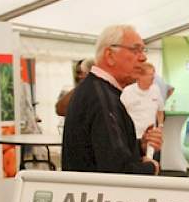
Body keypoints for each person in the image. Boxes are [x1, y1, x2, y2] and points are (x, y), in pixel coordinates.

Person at [61, 25, 163, 174]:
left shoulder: (98, 91)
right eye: (136, 50)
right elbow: (118, 171)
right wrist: (151, 167)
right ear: (110, 55)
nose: (143, 57)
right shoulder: (102, 98)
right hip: (95, 195)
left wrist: (140, 146)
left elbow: (104, 150)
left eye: (143, 50)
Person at [120, 62, 164, 142]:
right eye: (150, 74)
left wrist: (160, 126)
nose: (153, 77)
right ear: (140, 76)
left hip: (151, 138)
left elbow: (160, 110)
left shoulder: (156, 89)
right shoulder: (128, 92)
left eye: (153, 74)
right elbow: (120, 115)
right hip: (133, 137)